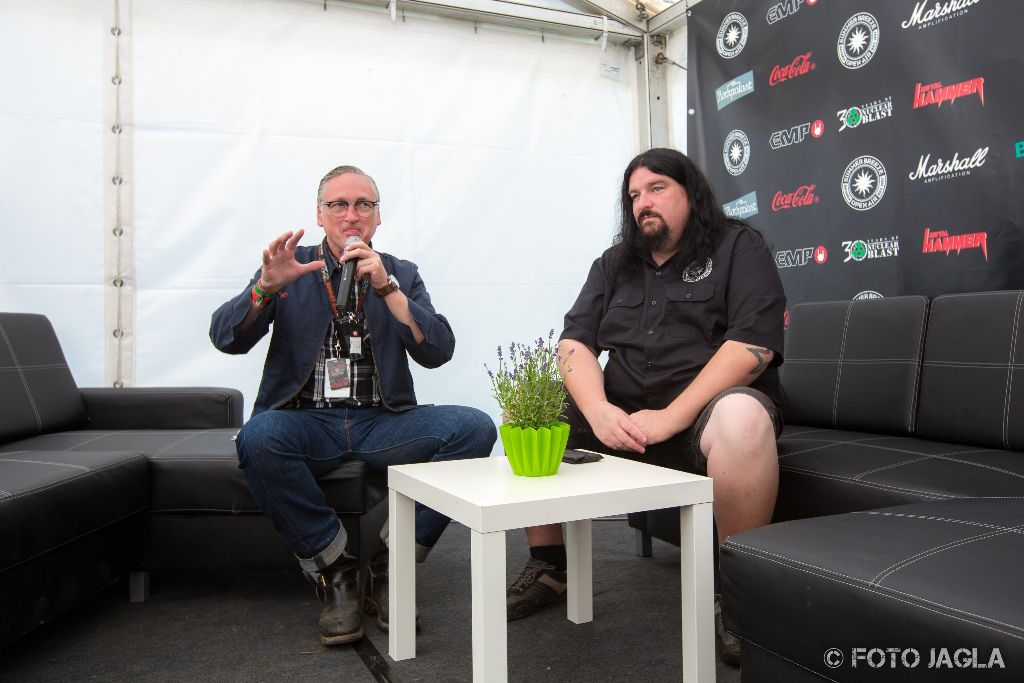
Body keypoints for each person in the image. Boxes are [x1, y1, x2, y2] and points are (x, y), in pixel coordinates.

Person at [505, 148, 785, 666]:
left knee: (742, 418)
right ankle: (548, 566)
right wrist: (599, 413)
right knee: (531, 407)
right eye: (634, 195)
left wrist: (670, 418)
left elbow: (753, 347)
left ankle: (740, 593)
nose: (642, 203)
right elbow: (574, 343)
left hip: (701, 418)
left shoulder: (737, 247)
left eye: (656, 189)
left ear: (690, 193)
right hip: (623, 418)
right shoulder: (614, 264)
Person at [211, 165, 496, 646]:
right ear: (319, 215)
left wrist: (387, 288)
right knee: (259, 437)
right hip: (308, 421)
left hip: (382, 422)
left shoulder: (400, 273)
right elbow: (225, 337)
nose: (351, 215)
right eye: (338, 205)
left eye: (363, 204)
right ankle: (335, 570)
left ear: (377, 218)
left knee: (475, 427)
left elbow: (438, 350)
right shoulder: (292, 266)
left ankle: (392, 562)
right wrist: (265, 288)